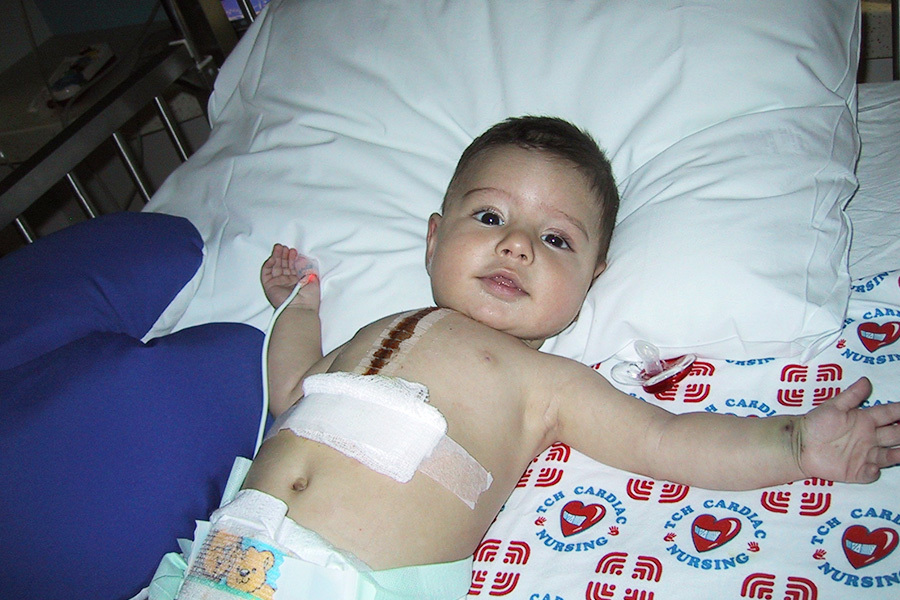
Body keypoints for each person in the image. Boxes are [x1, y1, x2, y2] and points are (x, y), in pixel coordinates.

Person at [165, 117, 900, 600]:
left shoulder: (543, 383)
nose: (516, 244)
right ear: (432, 238)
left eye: (556, 239)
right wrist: (298, 303)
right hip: (222, 562)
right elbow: (294, 386)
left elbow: (666, 440)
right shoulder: (381, 327)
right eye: (490, 217)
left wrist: (796, 443)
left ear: (591, 282)